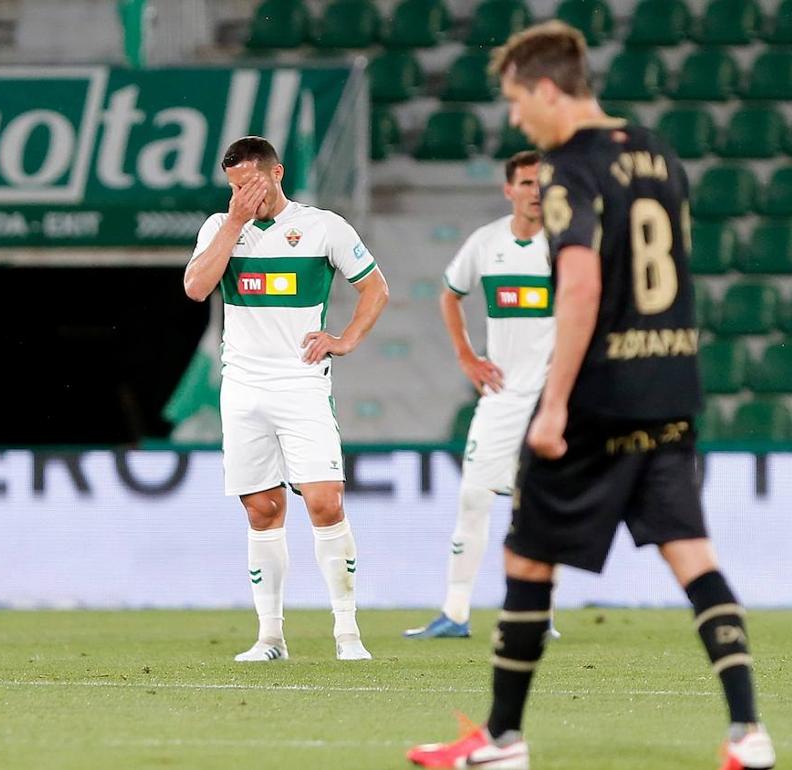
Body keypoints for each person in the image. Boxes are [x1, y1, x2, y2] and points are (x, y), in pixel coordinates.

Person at [407, 22, 774, 769]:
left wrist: (554, 404)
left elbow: (580, 286)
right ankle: (751, 733)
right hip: (671, 384)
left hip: (600, 394)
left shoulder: (570, 169)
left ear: (547, 88)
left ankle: (503, 739)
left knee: (528, 558)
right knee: (693, 554)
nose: (515, 120)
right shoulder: (659, 153)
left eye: (515, 100)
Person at [184, 136, 390, 662]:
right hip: (244, 386)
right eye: (233, 186)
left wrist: (343, 339)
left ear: (276, 173)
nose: (241, 194)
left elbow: (376, 289)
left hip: (300, 383)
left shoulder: (323, 226)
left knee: (324, 501)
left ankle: (347, 634)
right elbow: (195, 287)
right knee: (262, 509)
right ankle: (270, 637)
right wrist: (233, 224)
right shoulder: (220, 227)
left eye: (249, 183)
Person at [404, 151, 557, 640]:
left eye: (542, 183)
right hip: (503, 393)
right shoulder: (487, 243)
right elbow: (450, 293)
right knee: (474, 497)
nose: (536, 191)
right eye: (527, 182)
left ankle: (538, 615)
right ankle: (455, 612)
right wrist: (467, 357)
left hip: (552, 397)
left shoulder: (568, 246)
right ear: (508, 189)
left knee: (539, 506)